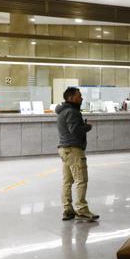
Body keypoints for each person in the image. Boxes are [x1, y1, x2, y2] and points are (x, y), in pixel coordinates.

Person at [54, 86, 99, 221]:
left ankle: (68, 209)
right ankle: (82, 209)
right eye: (79, 96)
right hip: (73, 149)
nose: (81, 98)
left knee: (67, 181)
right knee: (81, 180)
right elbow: (75, 130)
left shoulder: (62, 111)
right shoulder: (72, 112)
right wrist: (87, 126)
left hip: (64, 149)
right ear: (71, 98)